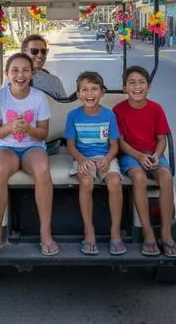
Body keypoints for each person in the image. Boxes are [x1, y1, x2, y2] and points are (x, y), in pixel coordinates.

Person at [0, 52, 59, 259]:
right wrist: (10, 127)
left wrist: (28, 130)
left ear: (32, 74)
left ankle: (45, 232)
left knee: (43, 168)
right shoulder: (0, 98)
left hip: (32, 147)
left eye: (25, 70)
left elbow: (43, 133)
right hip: (6, 148)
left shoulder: (39, 98)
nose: (20, 75)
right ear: (7, 74)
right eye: (15, 70)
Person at [113, 65, 176, 258]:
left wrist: (154, 155)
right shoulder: (118, 110)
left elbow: (161, 139)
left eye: (141, 82)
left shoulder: (156, 109)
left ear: (149, 87)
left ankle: (167, 233)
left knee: (166, 176)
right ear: (124, 88)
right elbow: (121, 142)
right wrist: (139, 156)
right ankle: (147, 231)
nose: (137, 87)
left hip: (153, 153)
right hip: (130, 154)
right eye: (132, 83)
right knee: (139, 177)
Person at [65, 71, 126, 256]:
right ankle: (88, 231)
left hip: (105, 156)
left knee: (114, 182)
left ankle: (115, 232)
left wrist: (107, 159)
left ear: (102, 92)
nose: (89, 93)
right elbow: (70, 145)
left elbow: (114, 146)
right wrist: (82, 159)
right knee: (86, 182)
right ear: (78, 94)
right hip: (82, 157)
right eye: (84, 89)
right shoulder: (73, 116)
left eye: (94, 89)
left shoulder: (109, 115)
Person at [21, 34, 67, 99]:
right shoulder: (54, 81)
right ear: (24, 52)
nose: (40, 55)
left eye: (43, 51)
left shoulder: (53, 81)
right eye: (34, 51)